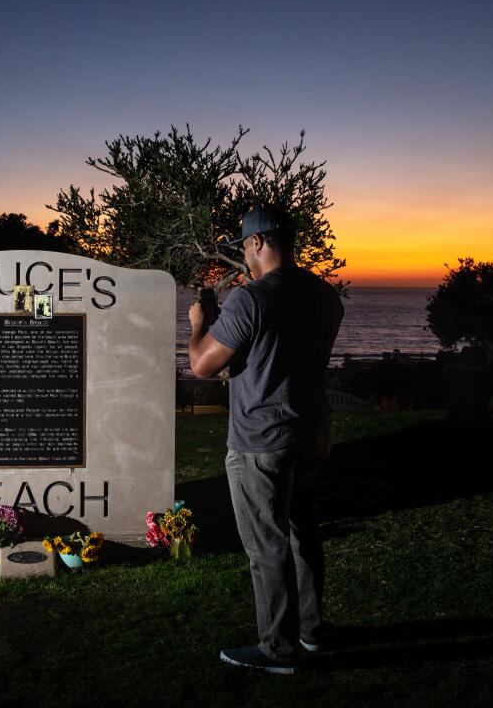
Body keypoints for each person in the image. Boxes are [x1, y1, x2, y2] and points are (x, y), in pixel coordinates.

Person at [188, 206, 344, 675]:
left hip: (261, 442)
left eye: (244, 247)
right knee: (303, 533)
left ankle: (278, 649)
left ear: (256, 243)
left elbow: (202, 365)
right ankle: (312, 632)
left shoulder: (250, 300)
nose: (245, 256)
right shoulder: (325, 295)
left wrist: (199, 322)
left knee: (267, 546)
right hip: (311, 433)